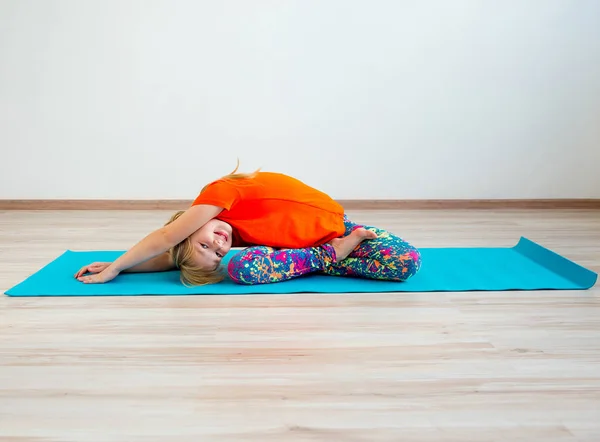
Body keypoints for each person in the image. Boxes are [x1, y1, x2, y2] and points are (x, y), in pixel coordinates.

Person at [75, 165, 422, 286]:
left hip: (346, 231)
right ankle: (325, 258)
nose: (219, 246)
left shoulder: (218, 195)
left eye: (205, 244)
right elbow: (174, 256)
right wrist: (125, 269)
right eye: (215, 254)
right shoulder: (232, 236)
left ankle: (327, 257)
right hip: (320, 253)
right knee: (241, 267)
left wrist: (116, 266)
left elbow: (168, 240)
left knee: (407, 263)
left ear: (187, 224)